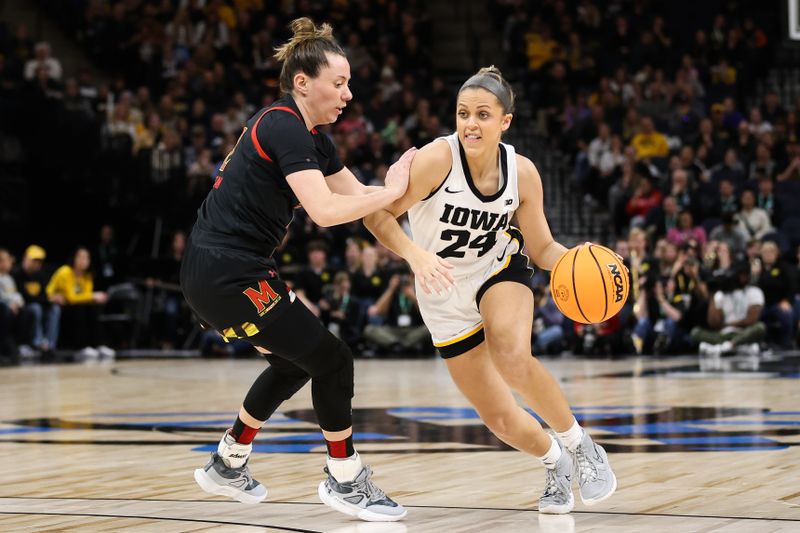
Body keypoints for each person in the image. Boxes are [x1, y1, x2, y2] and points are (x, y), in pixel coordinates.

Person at [179, 18, 412, 522]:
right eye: (340, 82)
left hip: (223, 271)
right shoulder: (281, 123)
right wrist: (391, 193)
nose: (348, 94)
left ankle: (227, 461)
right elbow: (328, 212)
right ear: (303, 83)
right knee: (333, 360)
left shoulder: (315, 142)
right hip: (228, 271)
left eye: (349, 83)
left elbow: (366, 203)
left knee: (293, 364)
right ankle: (345, 478)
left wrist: (411, 210)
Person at [364, 66, 617, 515]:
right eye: (463, 113)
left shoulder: (523, 172)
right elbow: (376, 216)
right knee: (499, 419)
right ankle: (554, 462)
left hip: (497, 269)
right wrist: (414, 255)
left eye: (483, 114)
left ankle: (581, 448)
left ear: (505, 121)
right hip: (441, 291)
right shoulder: (435, 160)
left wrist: (579, 263)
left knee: (511, 355)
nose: (470, 124)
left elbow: (540, 247)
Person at [46, 247, 113, 359]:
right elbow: (71, 297)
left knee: (93, 307)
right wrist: (93, 295)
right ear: (74, 258)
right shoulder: (65, 271)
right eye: (81, 257)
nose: (84, 260)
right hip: (57, 304)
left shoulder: (87, 275)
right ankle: (81, 347)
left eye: (87, 258)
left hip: (75, 305)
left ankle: (99, 345)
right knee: (80, 308)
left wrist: (93, 297)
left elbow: (84, 297)